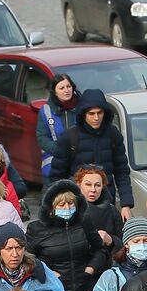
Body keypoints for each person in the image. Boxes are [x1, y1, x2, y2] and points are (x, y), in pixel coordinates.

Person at [48, 88, 134, 219]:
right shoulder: (70, 137)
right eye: (91, 113)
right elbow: (56, 176)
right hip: (76, 204)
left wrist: (126, 205)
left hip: (106, 203)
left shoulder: (113, 134)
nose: (96, 118)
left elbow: (122, 171)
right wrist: (59, 206)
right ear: (84, 114)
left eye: (100, 113)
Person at [26, 180, 108, 291]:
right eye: (62, 204)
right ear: (52, 208)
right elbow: (28, 259)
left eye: (70, 203)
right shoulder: (37, 229)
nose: (67, 208)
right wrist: (49, 274)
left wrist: (91, 268)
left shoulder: (84, 222)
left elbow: (100, 249)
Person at [90, 216, 147, 291]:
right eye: (136, 241)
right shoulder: (112, 277)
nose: (142, 245)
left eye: (146, 240)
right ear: (126, 244)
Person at [36, 72, 77, 179]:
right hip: (54, 162)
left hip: (80, 161)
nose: (66, 90)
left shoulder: (82, 107)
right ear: (55, 92)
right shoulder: (45, 110)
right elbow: (42, 137)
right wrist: (60, 151)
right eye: (62, 88)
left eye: (68, 86)